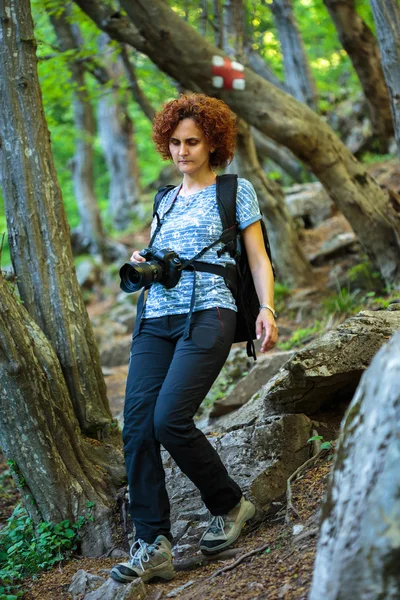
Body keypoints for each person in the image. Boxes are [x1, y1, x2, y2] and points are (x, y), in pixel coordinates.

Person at [111, 94, 278, 584]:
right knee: (137, 427)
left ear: (212, 144)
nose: (182, 151)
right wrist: (146, 257)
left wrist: (267, 307)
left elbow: (257, 258)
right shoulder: (164, 199)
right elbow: (159, 253)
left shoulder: (234, 190)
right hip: (155, 318)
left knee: (169, 419)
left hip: (210, 311)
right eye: (175, 142)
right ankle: (153, 544)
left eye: (192, 142)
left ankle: (229, 505)